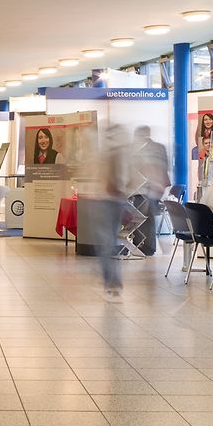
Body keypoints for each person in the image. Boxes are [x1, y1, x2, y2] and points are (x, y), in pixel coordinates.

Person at [94, 125, 129, 298]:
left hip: (111, 201)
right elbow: (118, 180)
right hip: (110, 201)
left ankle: (112, 280)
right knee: (109, 241)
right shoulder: (113, 154)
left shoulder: (110, 154)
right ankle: (111, 280)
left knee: (108, 241)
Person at [131, 126, 170, 256]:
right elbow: (165, 166)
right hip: (154, 186)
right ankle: (145, 245)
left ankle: (145, 246)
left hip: (148, 187)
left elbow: (148, 167)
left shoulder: (144, 148)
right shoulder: (159, 147)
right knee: (147, 216)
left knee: (145, 217)